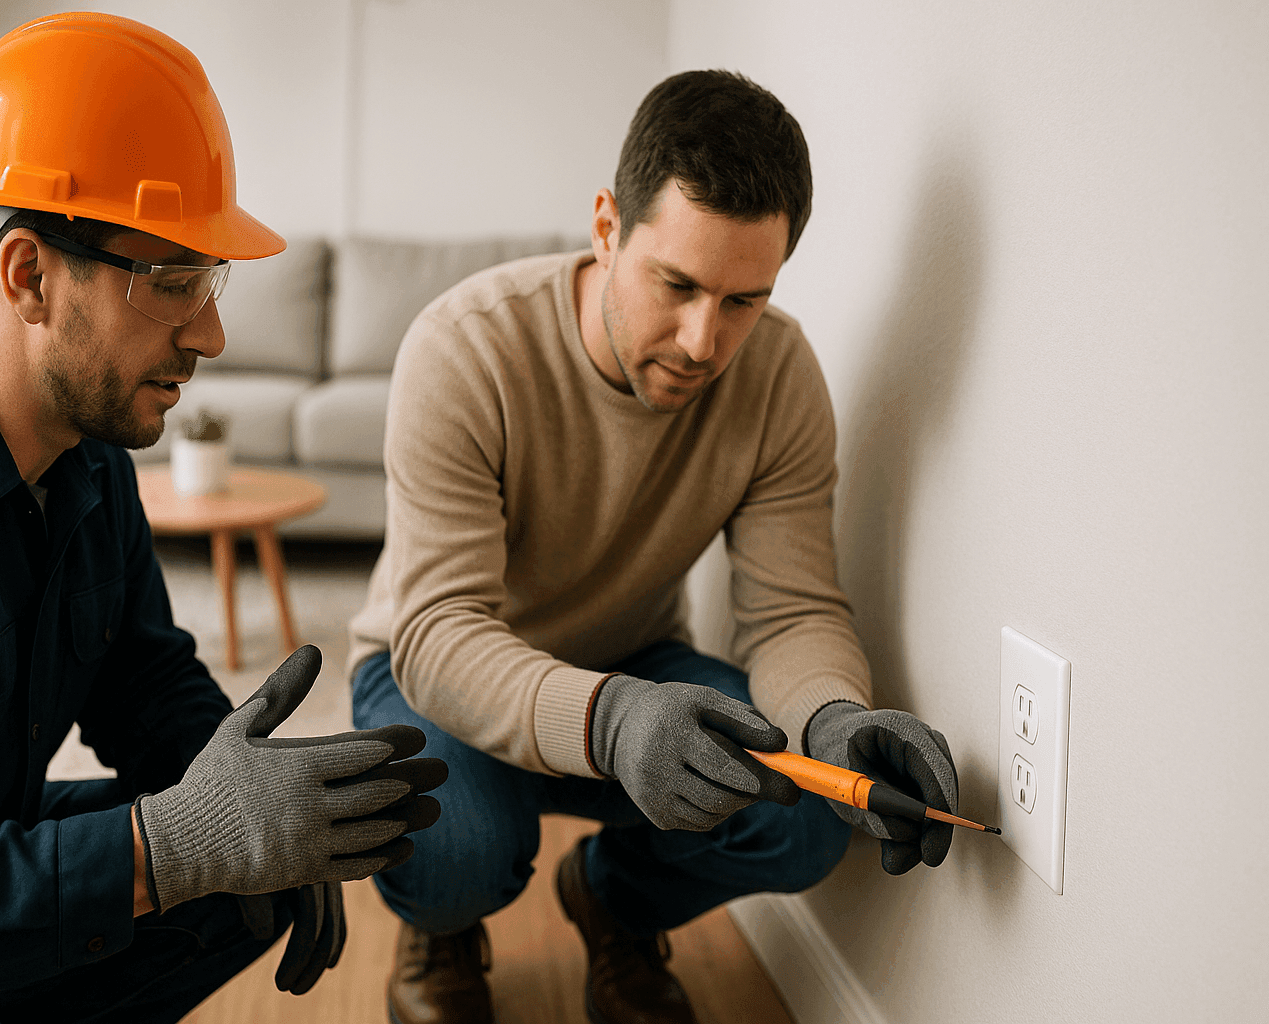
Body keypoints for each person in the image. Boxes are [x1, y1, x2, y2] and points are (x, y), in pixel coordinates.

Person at [0, 14, 444, 1022]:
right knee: (175, 865)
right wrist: (165, 851)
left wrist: (260, 803)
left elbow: (143, 682)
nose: (212, 333)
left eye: (209, 282)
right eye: (173, 284)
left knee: (236, 888)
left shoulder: (87, 457)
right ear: (28, 275)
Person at [348, 69, 962, 1024]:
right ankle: (444, 924)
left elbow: (792, 611)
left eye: (743, 301)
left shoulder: (780, 377)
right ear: (607, 227)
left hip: (634, 660)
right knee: (459, 847)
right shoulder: (463, 348)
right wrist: (610, 720)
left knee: (805, 818)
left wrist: (835, 724)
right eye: (676, 284)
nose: (702, 341)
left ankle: (614, 902)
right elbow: (438, 633)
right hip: (435, 670)